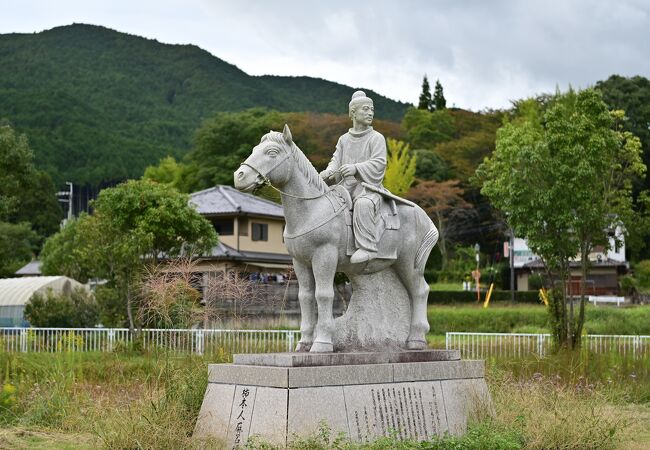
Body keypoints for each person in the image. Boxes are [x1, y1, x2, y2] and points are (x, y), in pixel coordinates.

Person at [320, 91, 387, 264]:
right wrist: (328, 173)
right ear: (353, 112)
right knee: (325, 205)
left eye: (372, 109)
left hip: (368, 187)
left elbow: (380, 163)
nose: (370, 113)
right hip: (345, 188)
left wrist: (356, 168)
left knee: (363, 204)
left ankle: (367, 247)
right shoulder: (344, 139)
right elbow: (336, 161)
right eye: (365, 109)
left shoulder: (376, 138)